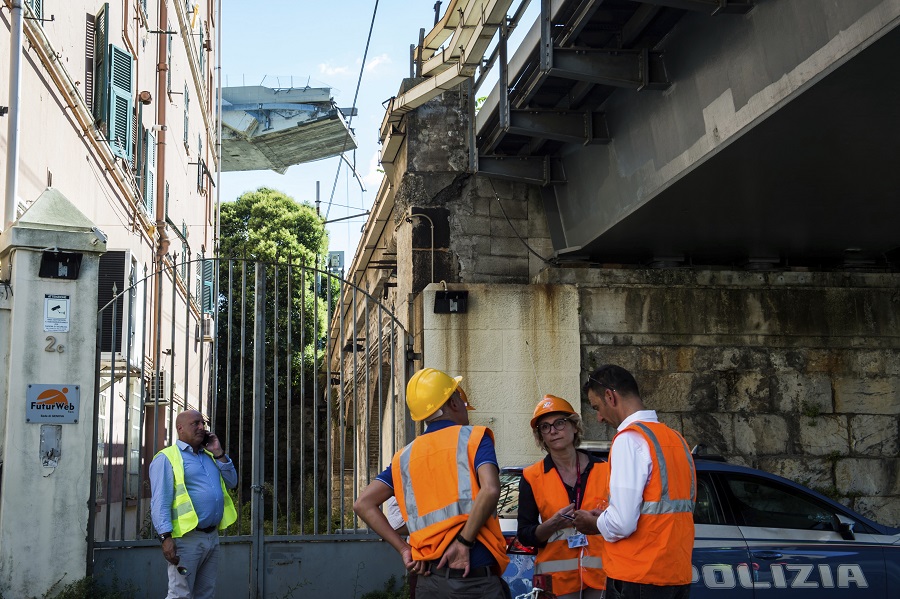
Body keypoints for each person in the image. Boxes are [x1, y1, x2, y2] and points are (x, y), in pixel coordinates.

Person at [353, 367, 511, 599]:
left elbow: (363, 504)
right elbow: (490, 489)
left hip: (429, 582)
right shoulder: (474, 437)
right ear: (454, 403)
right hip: (473, 578)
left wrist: (404, 549)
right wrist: (463, 542)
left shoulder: (404, 457)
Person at [573, 365, 696, 599]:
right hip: (676, 575)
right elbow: (662, 509)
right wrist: (606, 517)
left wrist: (594, 524)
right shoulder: (676, 440)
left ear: (610, 396)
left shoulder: (629, 439)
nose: (598, 418)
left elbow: (623, 523)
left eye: (597, 407)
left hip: (637, 576)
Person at [518, 395, 608, 599]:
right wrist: (553, 524)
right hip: (555, 581)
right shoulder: (532, 476)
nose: (553, 431)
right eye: (545, 427)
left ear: (574, 426)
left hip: (602, 574)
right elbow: (524, 534)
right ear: (541, 436)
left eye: (560, 423)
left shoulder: (607, 470)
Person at [150, 409, 238, 599]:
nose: (201, 427)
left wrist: (219, 452)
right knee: (180, 593)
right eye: (195, 423)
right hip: (186, 540)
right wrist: (165, 538)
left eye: (202, 423)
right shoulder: (166, 458)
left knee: (206, 593)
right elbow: (159, 501)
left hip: (211, 537)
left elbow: (232, 482)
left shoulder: (210, 456)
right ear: (180, 428)